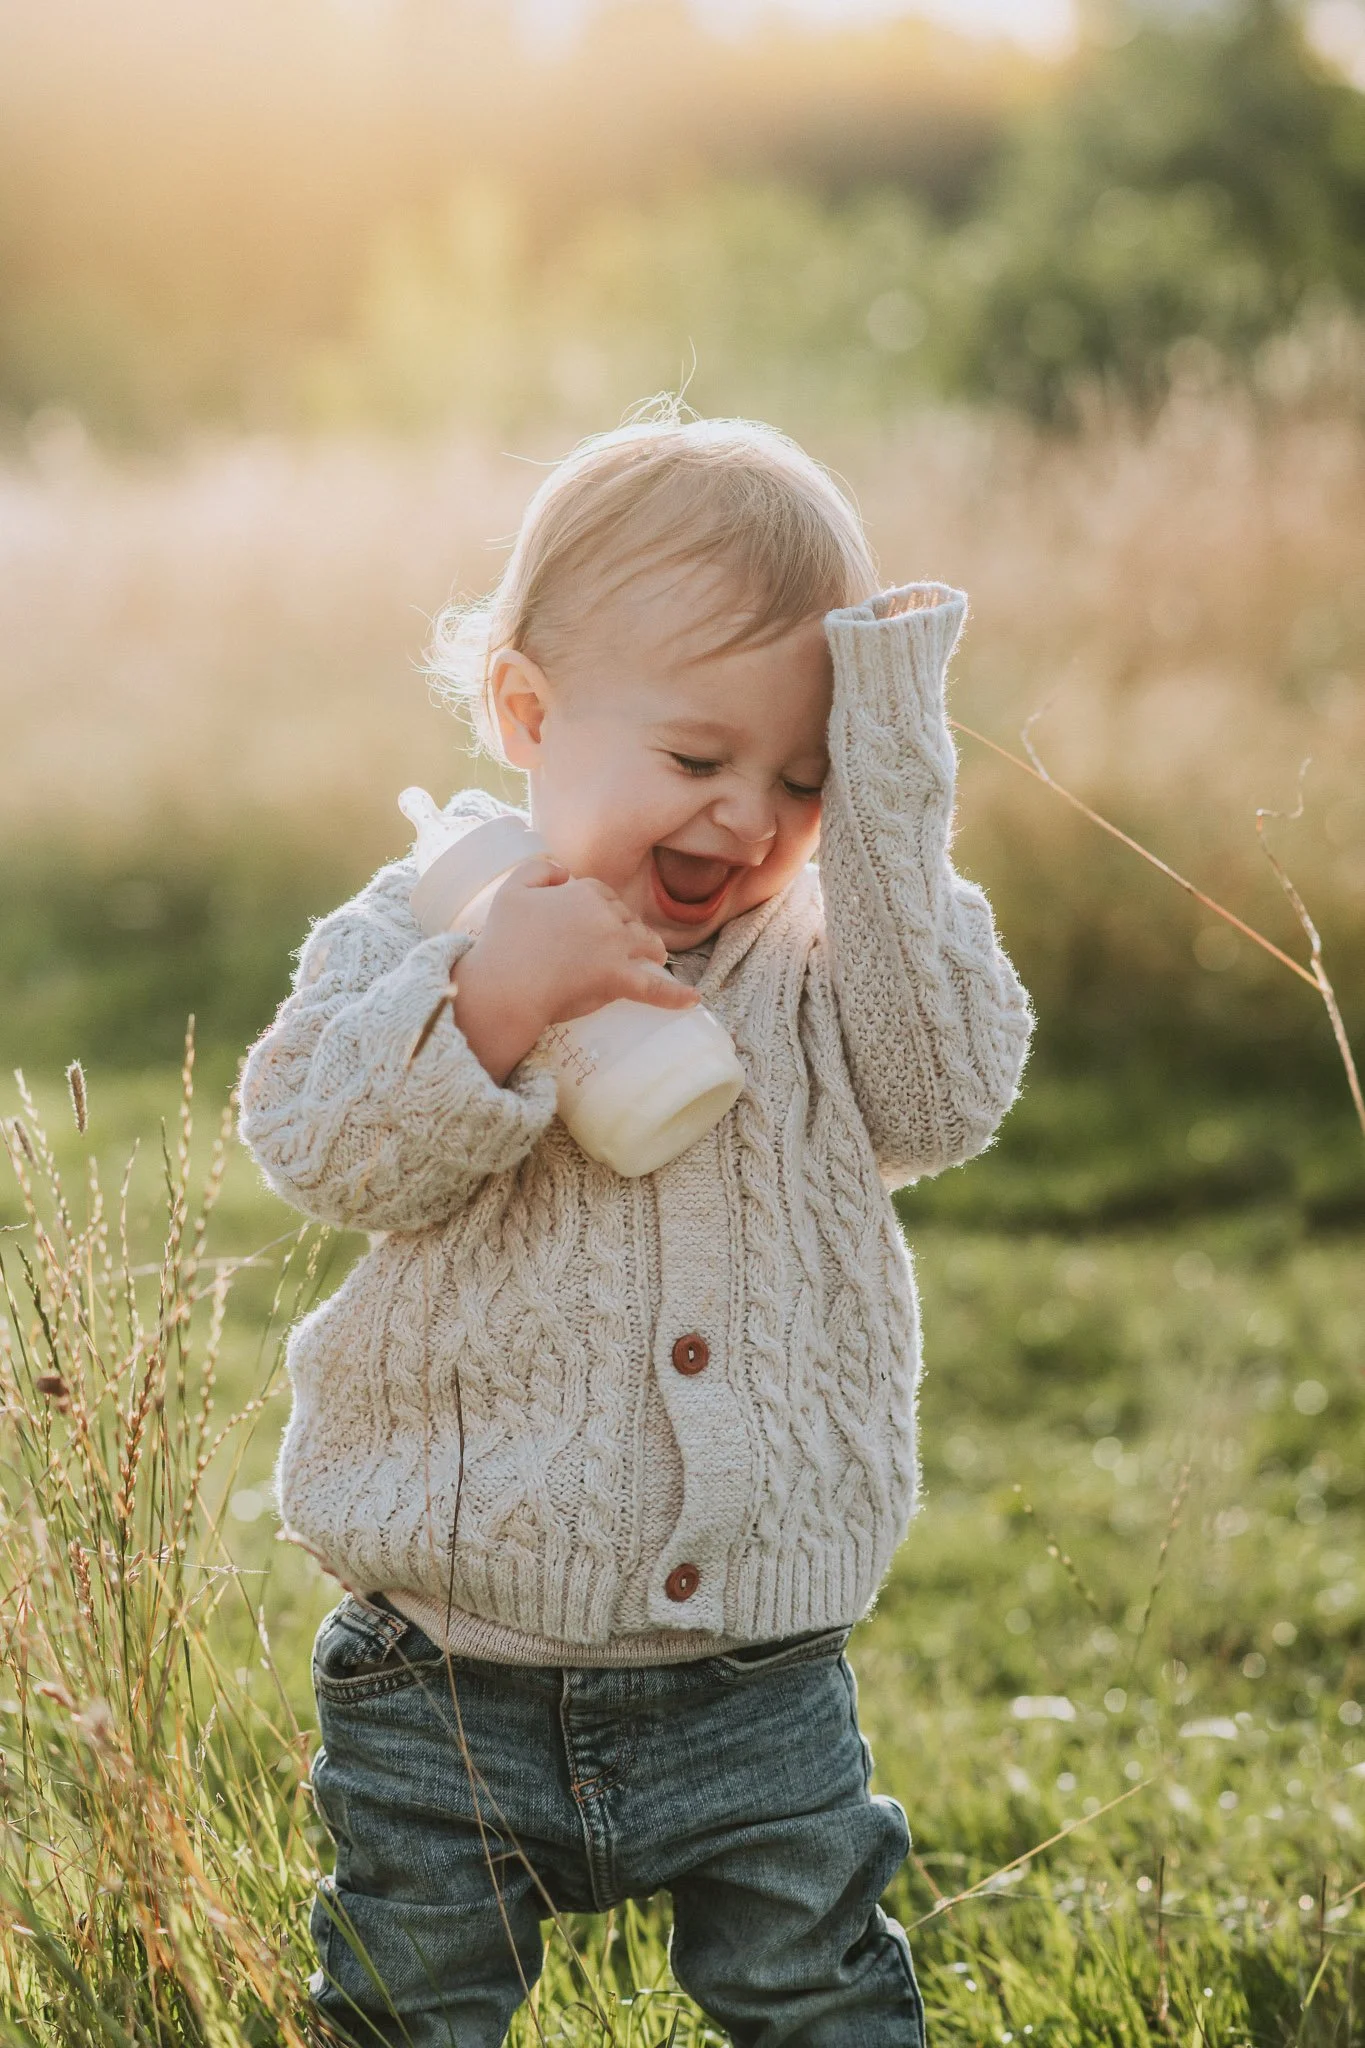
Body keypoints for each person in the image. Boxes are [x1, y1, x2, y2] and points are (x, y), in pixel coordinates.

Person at [237, 402, 1034, 2047]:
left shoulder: (826, 959)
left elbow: (948, 1093)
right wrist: (482, 1015)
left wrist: (890, 799)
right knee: (405, 2008)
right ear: (526, 711)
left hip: (755, 1672)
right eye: (696, 759)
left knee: (820, 1992)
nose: (747, 820)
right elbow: (318, 1144)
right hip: (442, 1671)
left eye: (801, 777)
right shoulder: (418, 934)